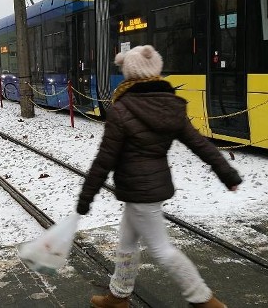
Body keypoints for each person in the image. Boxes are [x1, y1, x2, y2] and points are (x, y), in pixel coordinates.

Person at [75, 45, 242, 308]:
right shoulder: (171, 107)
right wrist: (226, 172)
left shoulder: (121, 109)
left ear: (129, 73)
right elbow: (199, 143)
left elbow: (104, 159)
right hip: (150, 186)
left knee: (162, 251)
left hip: (140, 191)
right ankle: (118, 296)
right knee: (127, 242)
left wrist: (86, 197)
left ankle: (203, 300)